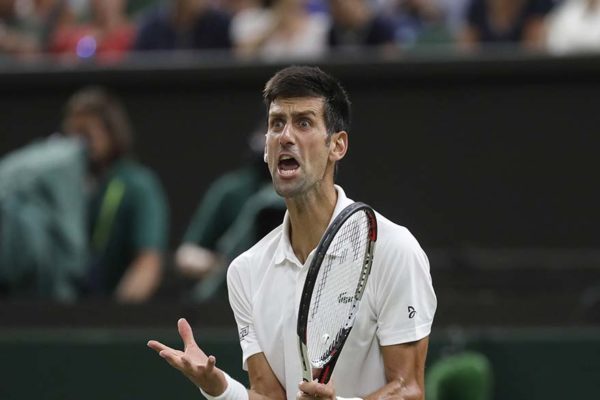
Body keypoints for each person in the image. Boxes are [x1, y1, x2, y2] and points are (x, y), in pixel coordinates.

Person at [148, 66, 437, 400]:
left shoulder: (394, 250)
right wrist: (220, 389)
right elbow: (269, 395)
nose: (285, 136)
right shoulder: (246, 272)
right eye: (276, 124)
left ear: (337, 145)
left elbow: (409, 389)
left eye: (303, 122)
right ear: (267, 149)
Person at [62, 86, 169, 303]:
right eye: (71, 135)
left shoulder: (138, 185)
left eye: (86, 135)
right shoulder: (63, 186)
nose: (77, 145)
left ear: (111, 133)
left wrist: (113, 315)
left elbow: (148, 264)